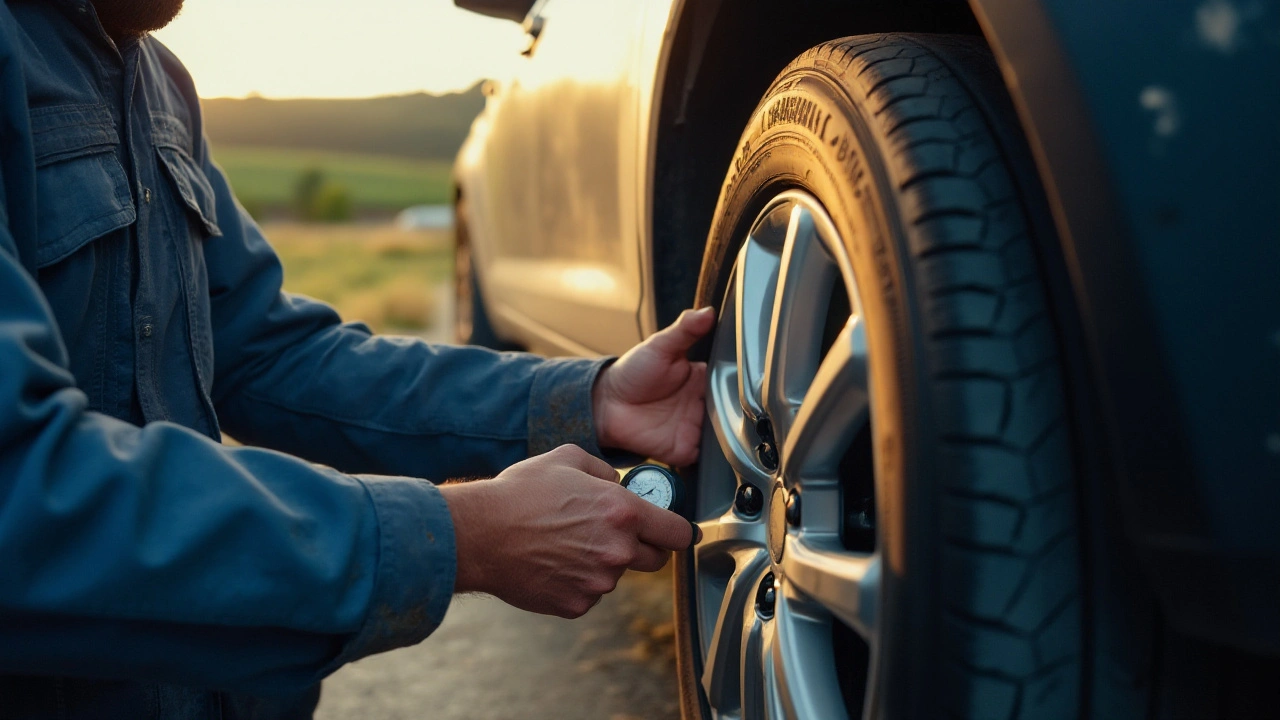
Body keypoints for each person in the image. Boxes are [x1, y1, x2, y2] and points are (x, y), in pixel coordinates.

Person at [0, 1, 714, 717]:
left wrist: (589, 400)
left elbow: (268, 353)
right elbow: (18, 490)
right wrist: (460, 536)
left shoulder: (155, 79)